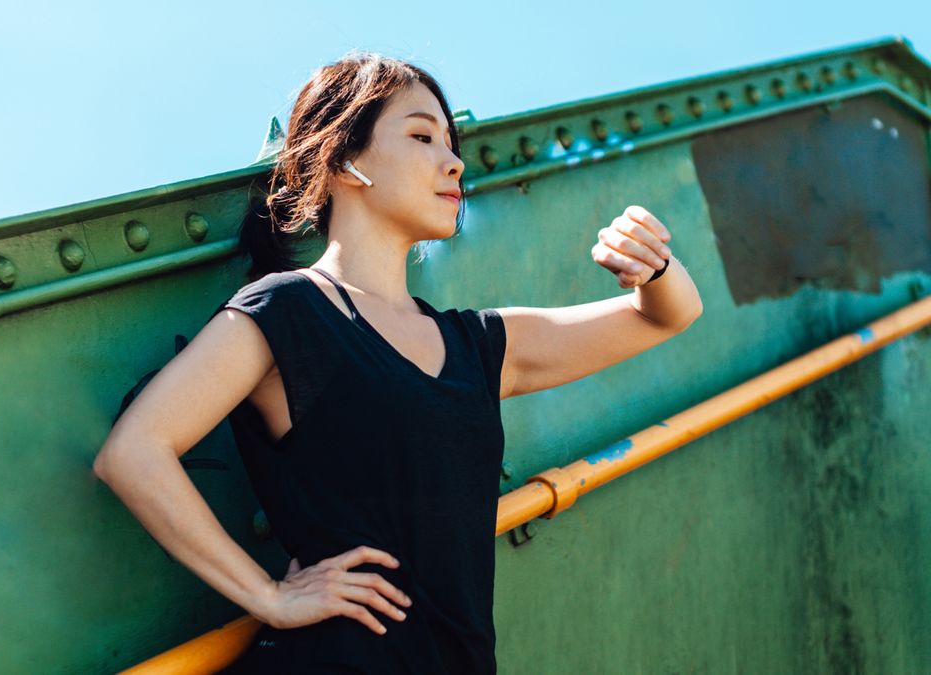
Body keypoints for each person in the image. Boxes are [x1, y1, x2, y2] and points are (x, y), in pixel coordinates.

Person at [93, 50, 703, 674]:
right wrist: (268, 596)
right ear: (346, 160)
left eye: (451, 142)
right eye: (421, 135)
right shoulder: (289, 310)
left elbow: (666, 315)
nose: (454, 160)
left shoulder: (479, 345)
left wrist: (652, 265)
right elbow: (134, 452)